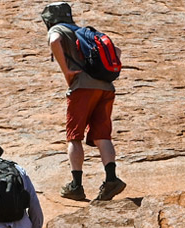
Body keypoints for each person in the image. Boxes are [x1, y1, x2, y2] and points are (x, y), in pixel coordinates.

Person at [41, 2, 126, 202]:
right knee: (102, 135)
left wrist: (67, 72)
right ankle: (111, 178)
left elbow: (55, 40)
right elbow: (117, 50)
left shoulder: (57, 29)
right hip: (105, 87)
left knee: (74, 136)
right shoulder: (83, 31)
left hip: (82, 87)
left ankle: (76, 185)